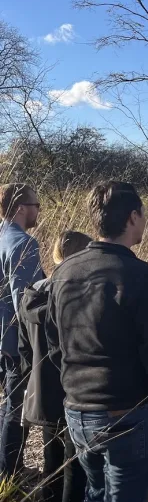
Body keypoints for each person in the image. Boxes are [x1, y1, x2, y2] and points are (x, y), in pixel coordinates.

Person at [46, 182, 148, 502]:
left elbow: (55, 344)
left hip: (77, 413)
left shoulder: (64, 273)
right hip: (126, 414)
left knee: (96, 496)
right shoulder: (144, 277)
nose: (145, 221)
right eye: (143, 214)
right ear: (133, 217)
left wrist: (74, 392)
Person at [18, 231, 91, 502]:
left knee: (52, 459)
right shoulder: (78, 296)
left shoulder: (32, 293)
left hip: (43, 391)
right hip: (74, 388)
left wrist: (28, 384)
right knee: (75, 463)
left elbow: (24, 348)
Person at [0, 183, 43, 479]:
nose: (38, 210)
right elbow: (24, 302)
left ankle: (7, 469)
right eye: (36, 204)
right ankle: (10, 474)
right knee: (17, 406)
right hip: (17, 341)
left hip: (2, 337)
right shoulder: (23, 243)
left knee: (8, 403)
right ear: (20, 208)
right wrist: (35, 345)